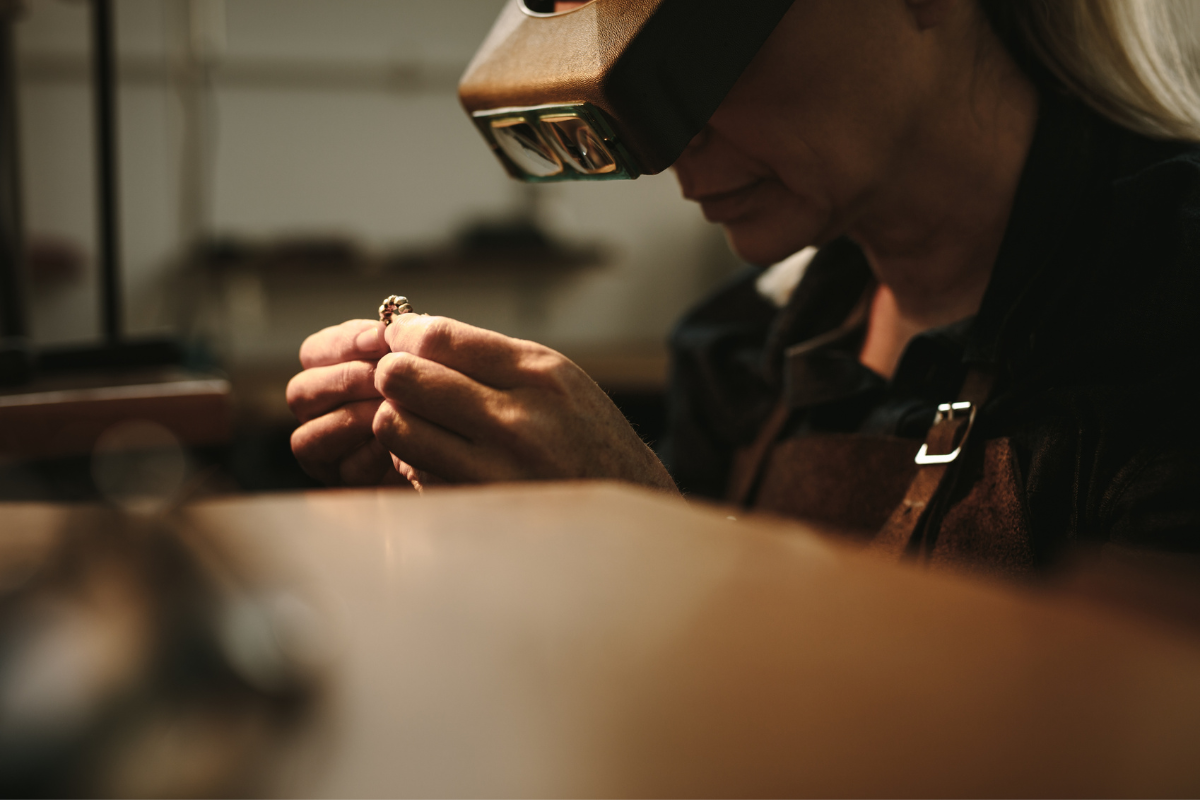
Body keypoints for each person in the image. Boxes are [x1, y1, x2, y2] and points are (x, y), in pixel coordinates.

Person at [287, 0, 1200, 576]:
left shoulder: (1167, 309)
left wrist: (654, 552)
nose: (666, 143)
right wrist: (485, 540)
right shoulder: (748, 350)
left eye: (696, 60)